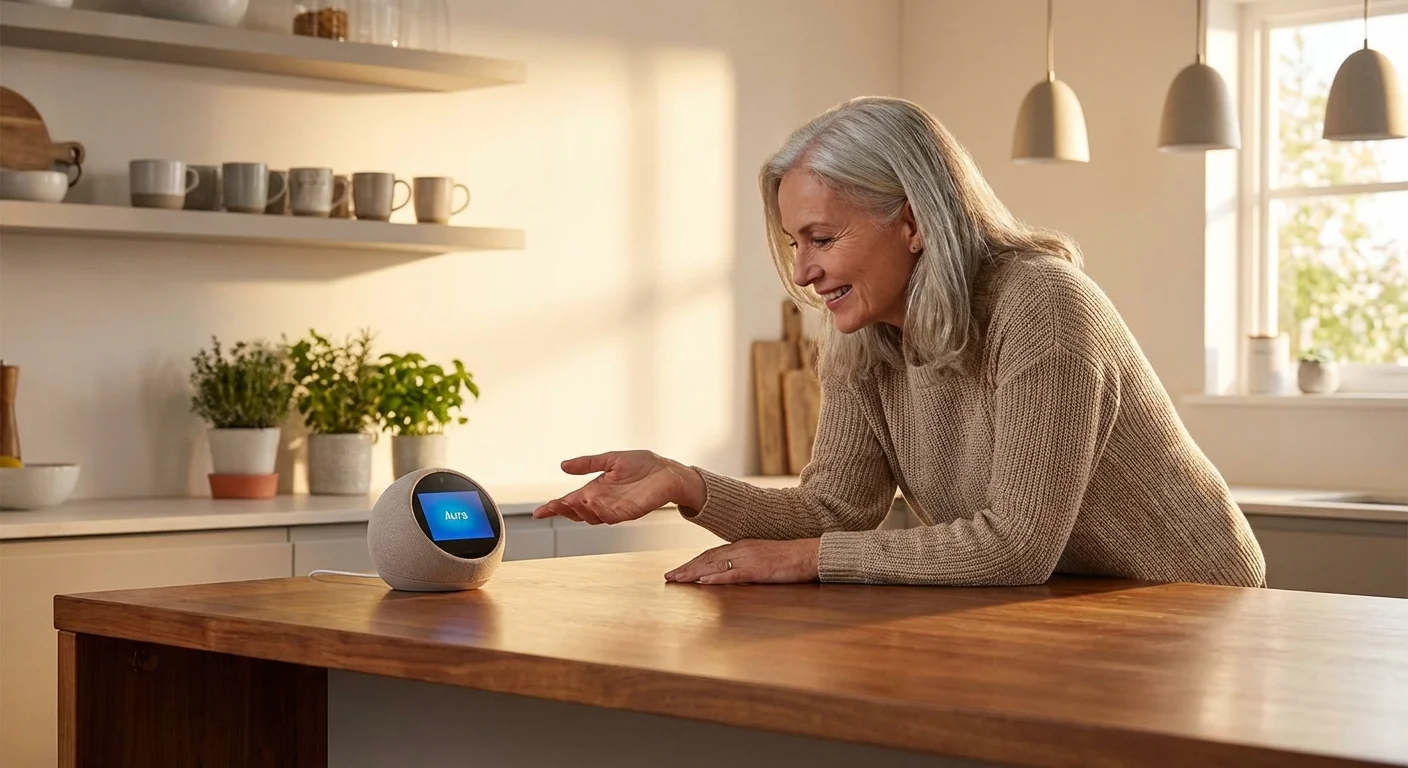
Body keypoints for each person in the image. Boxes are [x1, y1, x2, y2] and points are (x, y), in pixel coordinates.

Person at [532, 96, 1266, 589]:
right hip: (1075, 610)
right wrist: (683, 483)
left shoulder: (1043, 305)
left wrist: (806, 561)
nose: (803, 271)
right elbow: (834, 510)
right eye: (794, 242)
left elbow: (1016, 545)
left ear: (913, 224)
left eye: (822, 238)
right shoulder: (865, 337)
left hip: (1200, 608)